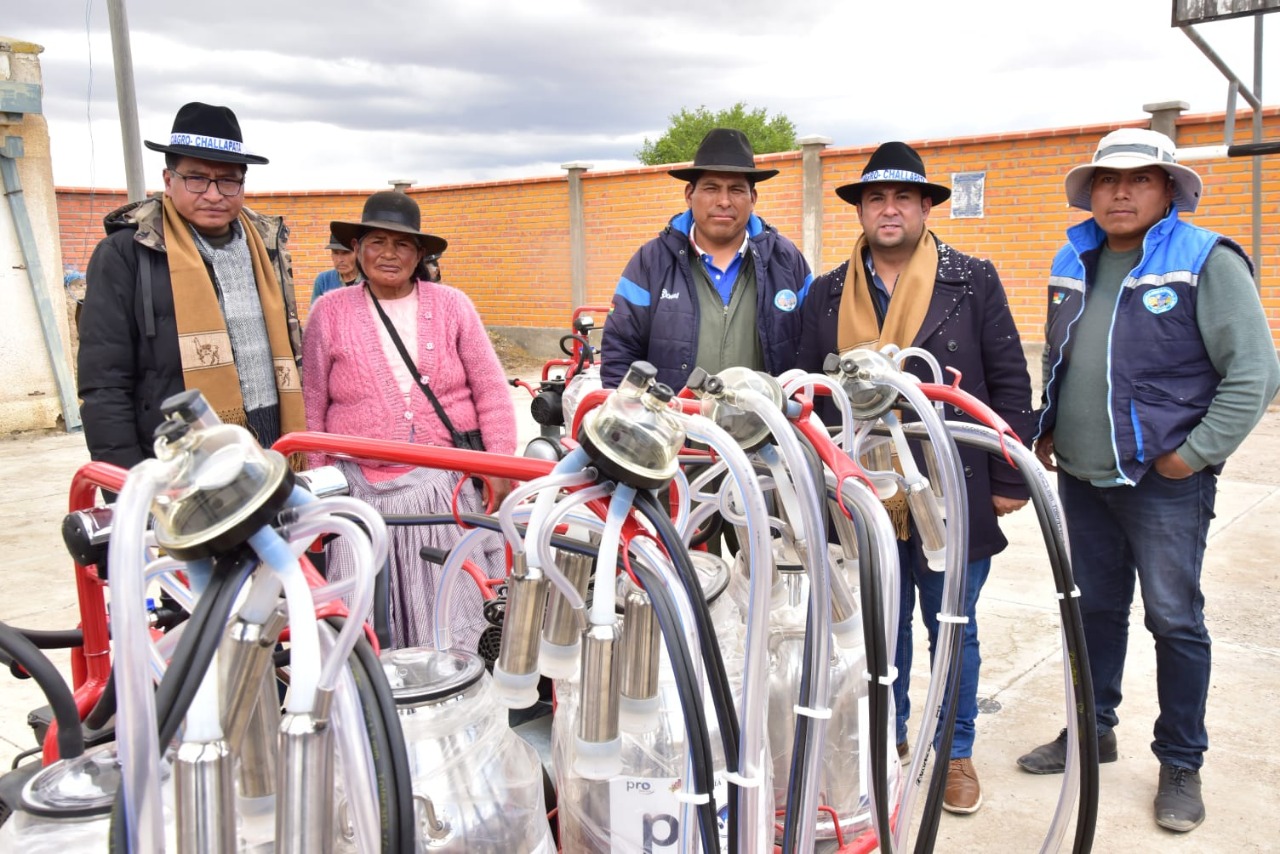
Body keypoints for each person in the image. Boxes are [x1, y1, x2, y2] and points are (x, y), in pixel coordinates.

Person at [1018, 128, 1280, 832]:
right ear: (1092, 192)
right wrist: (1048, 425)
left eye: (1139, 180)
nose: (1120, 192)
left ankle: (1180, 761)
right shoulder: (1074, 256)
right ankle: (1092, 730)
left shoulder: (1204, 260)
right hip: (1083, 475)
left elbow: (1256, 372)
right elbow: (1062, 354)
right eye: (1107, 181)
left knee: (1174, 620)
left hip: (1164, 482)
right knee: (1094, 610)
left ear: (1168, 190)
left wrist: (1192, 455)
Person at [795, 141, 1035, 815]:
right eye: (877, 198)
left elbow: (1010, 380)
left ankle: (954, 752)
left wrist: (1009, 475)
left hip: (951, 481)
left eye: (904, 197)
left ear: (926, 207)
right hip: (864, 488)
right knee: (882, 625)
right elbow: (805, 388)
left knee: (952, 622)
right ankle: (890, 740)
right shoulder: (827, 293)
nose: (890, 209)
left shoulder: (973, 279)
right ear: (862, 210)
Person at [302, 191, 516, 651]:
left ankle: (453, 687)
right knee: (365, 616)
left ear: (420, 254)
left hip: (443, 488)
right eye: (377, 241)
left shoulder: (453, 304)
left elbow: (491, 389)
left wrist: (500, 465)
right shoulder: (329, 311)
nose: (389, 254)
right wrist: (319, 489)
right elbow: (314, 403)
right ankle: (379, 704)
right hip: (358, 491)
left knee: (454, 607)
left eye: (402, 244)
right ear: (357, 249)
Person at [78, 102, 303, 469]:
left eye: (228, 180)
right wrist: (127, 485)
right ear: (169, 181)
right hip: (178, 456)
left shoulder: (266, 248)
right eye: (196, 178)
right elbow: (104, 384)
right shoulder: (126, 253)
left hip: (274, 442)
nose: (214, 194)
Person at [601, 127, 812, 390]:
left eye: (736, 190)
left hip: (766, 427)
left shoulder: (786, 260)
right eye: (711, 188)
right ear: (690, 195)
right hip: (676, 426)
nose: (724, 201)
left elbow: (813, 347)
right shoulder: (650, 262)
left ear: (753, 198)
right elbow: (620, 351)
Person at [310, 232, 360, 303]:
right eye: (335, 253)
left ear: (358, 253)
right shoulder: (324, 281)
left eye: (345, 253)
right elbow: (315, 313)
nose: (339, 260)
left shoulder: (370, 281)